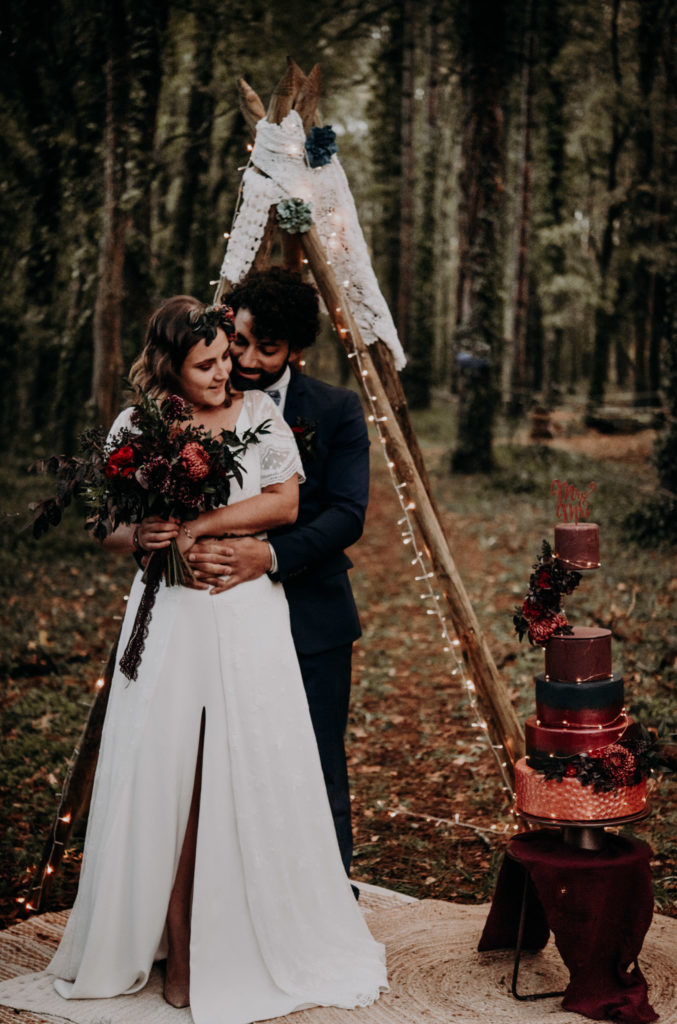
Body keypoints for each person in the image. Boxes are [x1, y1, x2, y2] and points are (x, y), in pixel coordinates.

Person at [31, 296, 386, 1023]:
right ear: (170, 365)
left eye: (228, 356)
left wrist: (202, 525)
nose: (225, 372)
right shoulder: (138, 425)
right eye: (207, 364)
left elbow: (287, 504)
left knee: (240, 766)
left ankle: (226, 941)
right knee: (163, 773)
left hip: (245, 616)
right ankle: (164, 940)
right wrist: (144, 535)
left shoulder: (259, 414)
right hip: (168, 616)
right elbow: (106, 526)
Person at [188, 267, 369, 884]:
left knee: (317, 761)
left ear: (295, 350)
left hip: (312, 614)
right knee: (223, 758)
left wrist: (267, 557)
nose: (247, 360)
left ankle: (327, 892)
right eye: (239, 342)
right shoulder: (193, 402)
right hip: (217, 613)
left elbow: (347, 514)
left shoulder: (337, 410)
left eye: (268, 349)